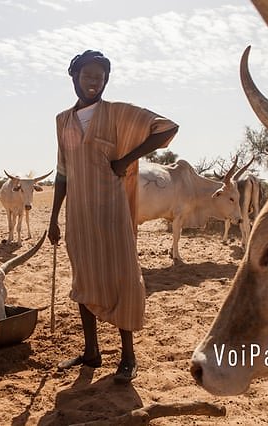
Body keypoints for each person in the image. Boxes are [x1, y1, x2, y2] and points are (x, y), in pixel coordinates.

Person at [48, 50, 179, 384]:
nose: (93, 81)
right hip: (79, 215)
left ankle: (128, 356)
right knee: (84, 281)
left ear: (105, 80)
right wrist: (53, 218)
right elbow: (63, 172)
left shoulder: (119, 113)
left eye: (99, 76)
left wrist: (126, 161)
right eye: (87, 75)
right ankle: (91, 352)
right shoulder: (63, 120)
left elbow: (166, 128)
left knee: (123, 278)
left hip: (113, 210)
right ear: (74, 77)